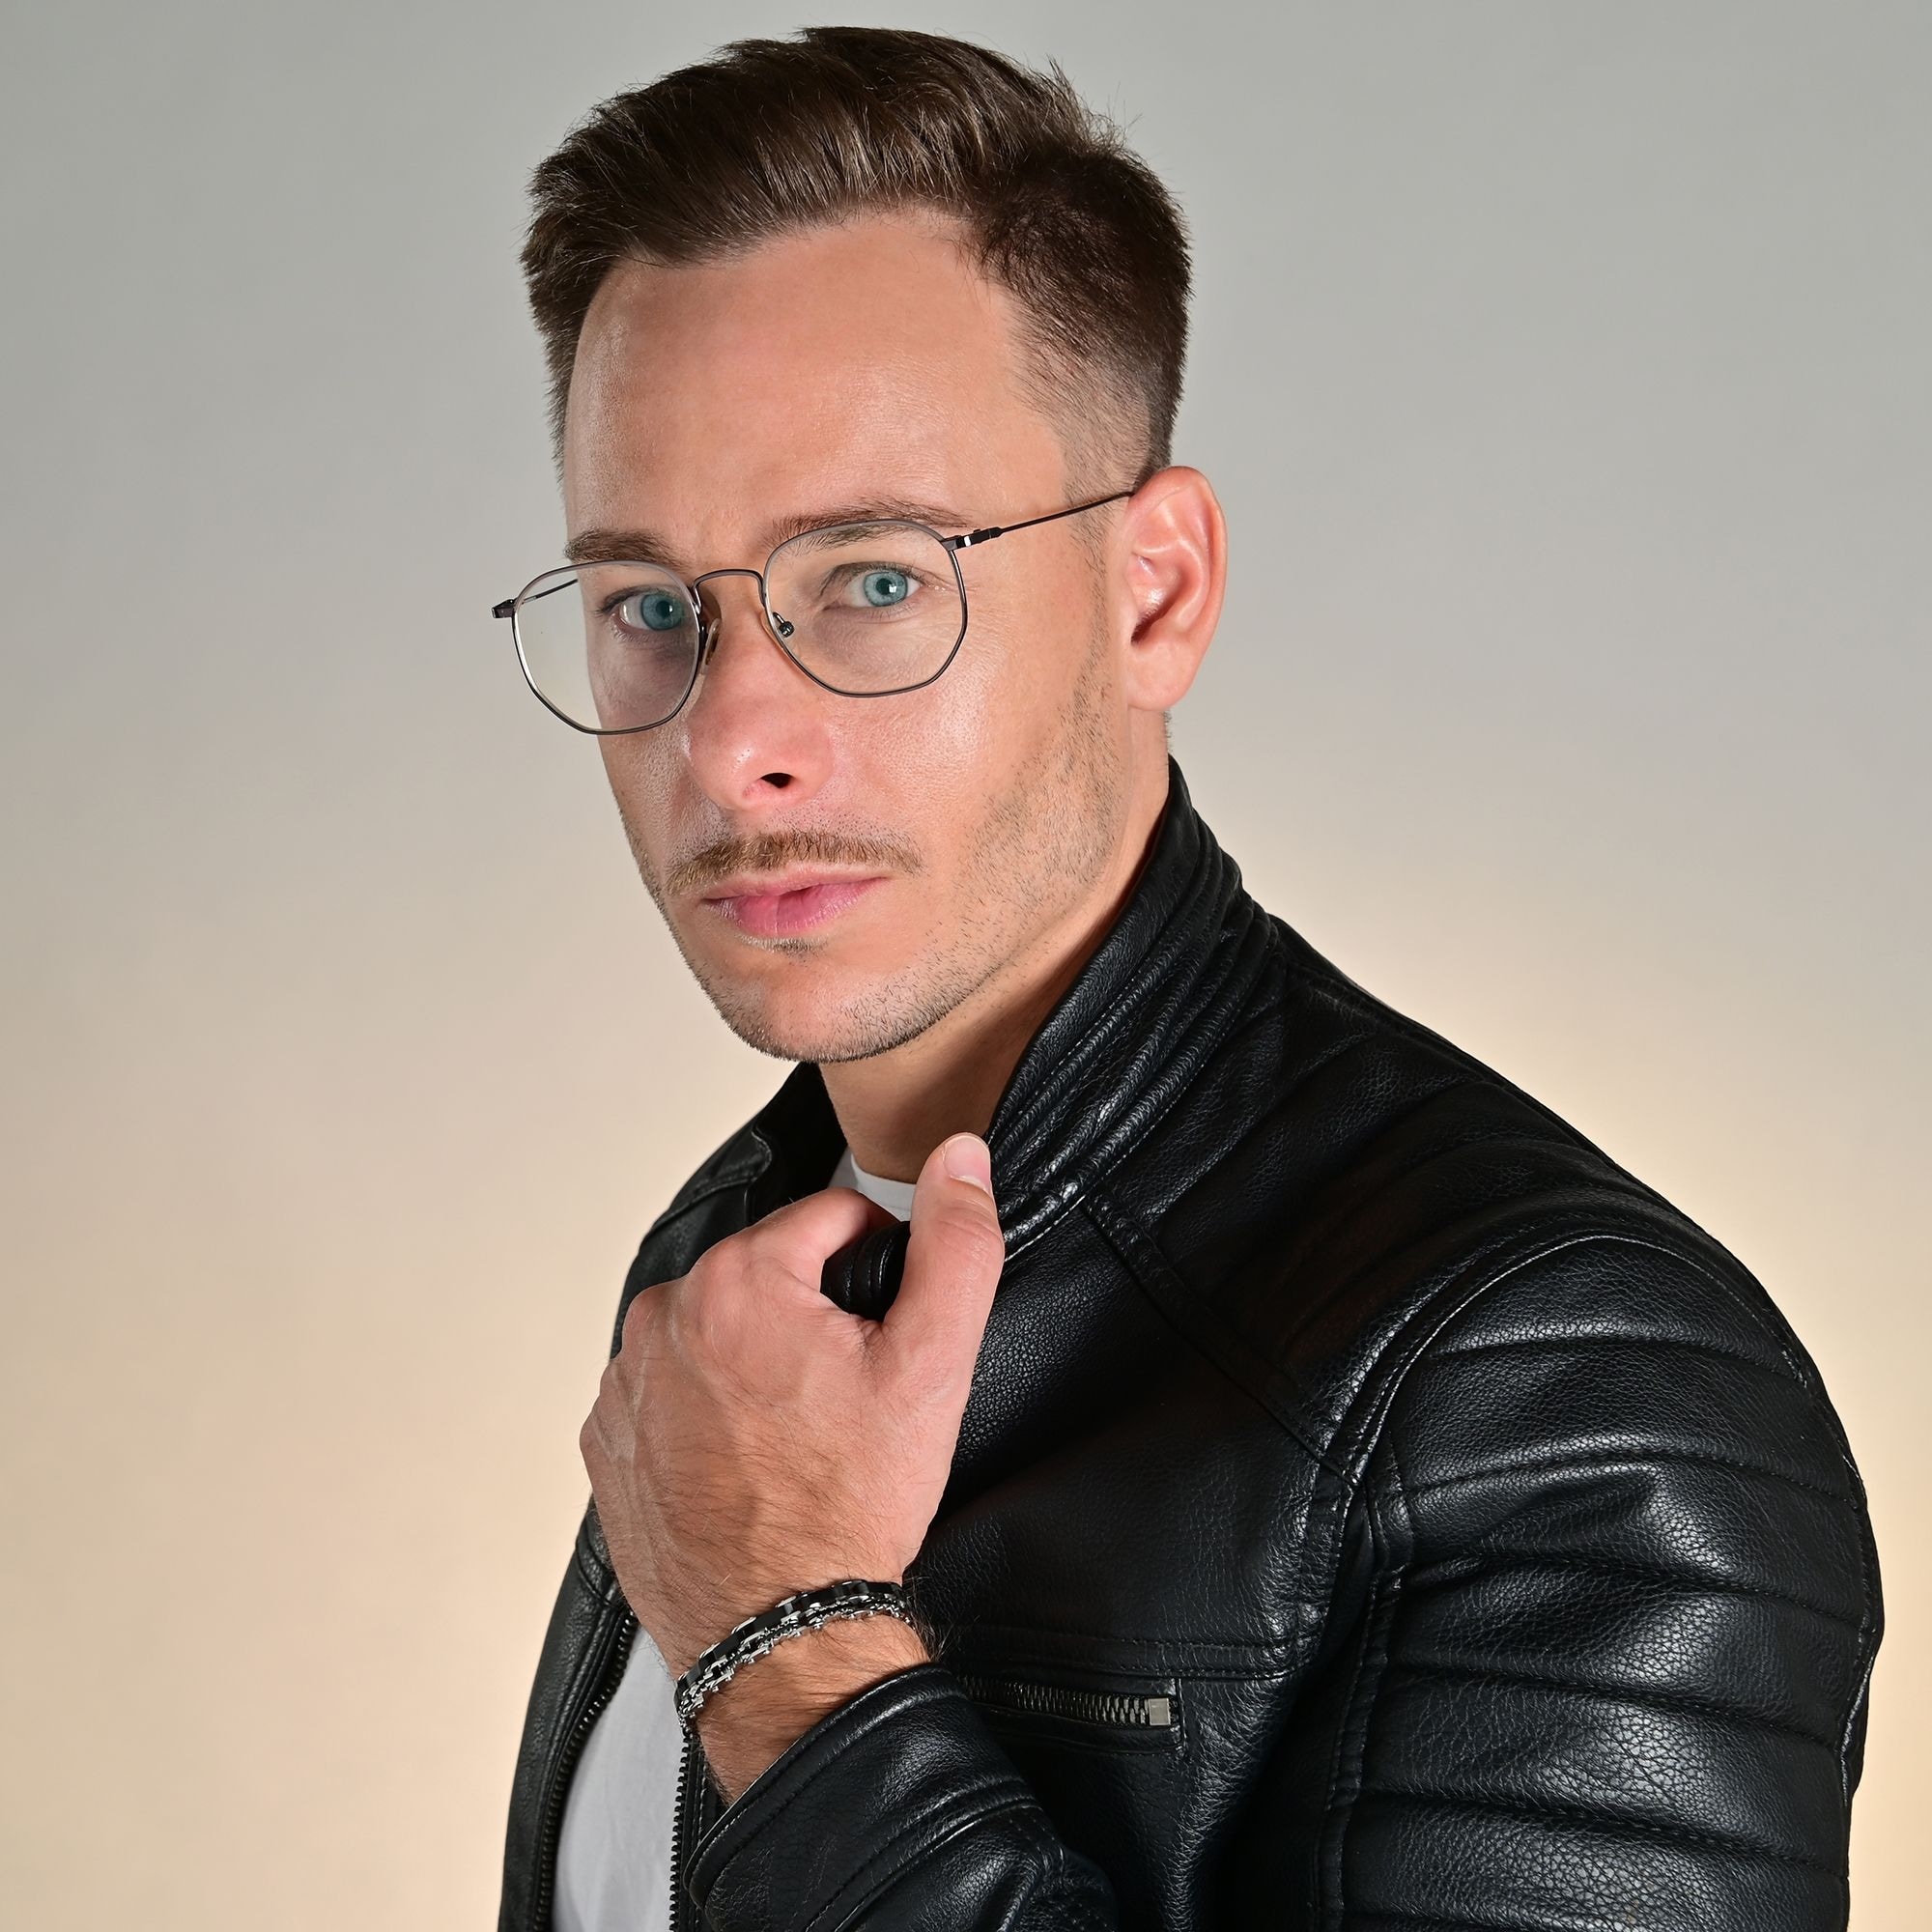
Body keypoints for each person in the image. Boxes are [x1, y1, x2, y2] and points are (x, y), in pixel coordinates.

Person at [493, 27, 1880, 1932]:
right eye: (652, 608)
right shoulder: (737, 1278)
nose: (731, 746)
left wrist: (794, 1650)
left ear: (1155, 591)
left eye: (874, 580)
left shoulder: (1568, 1388)